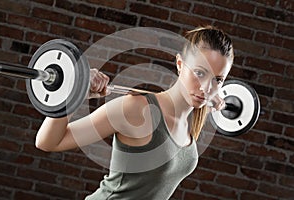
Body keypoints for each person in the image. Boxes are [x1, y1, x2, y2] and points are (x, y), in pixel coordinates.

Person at [36, 25, 234, 200]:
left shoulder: (193, 117)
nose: (206, 88)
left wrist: (217, 99)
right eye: (199, 73)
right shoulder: (136, 109)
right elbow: (48, 142)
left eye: (218, 79)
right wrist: (74, 93)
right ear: (180, 64)